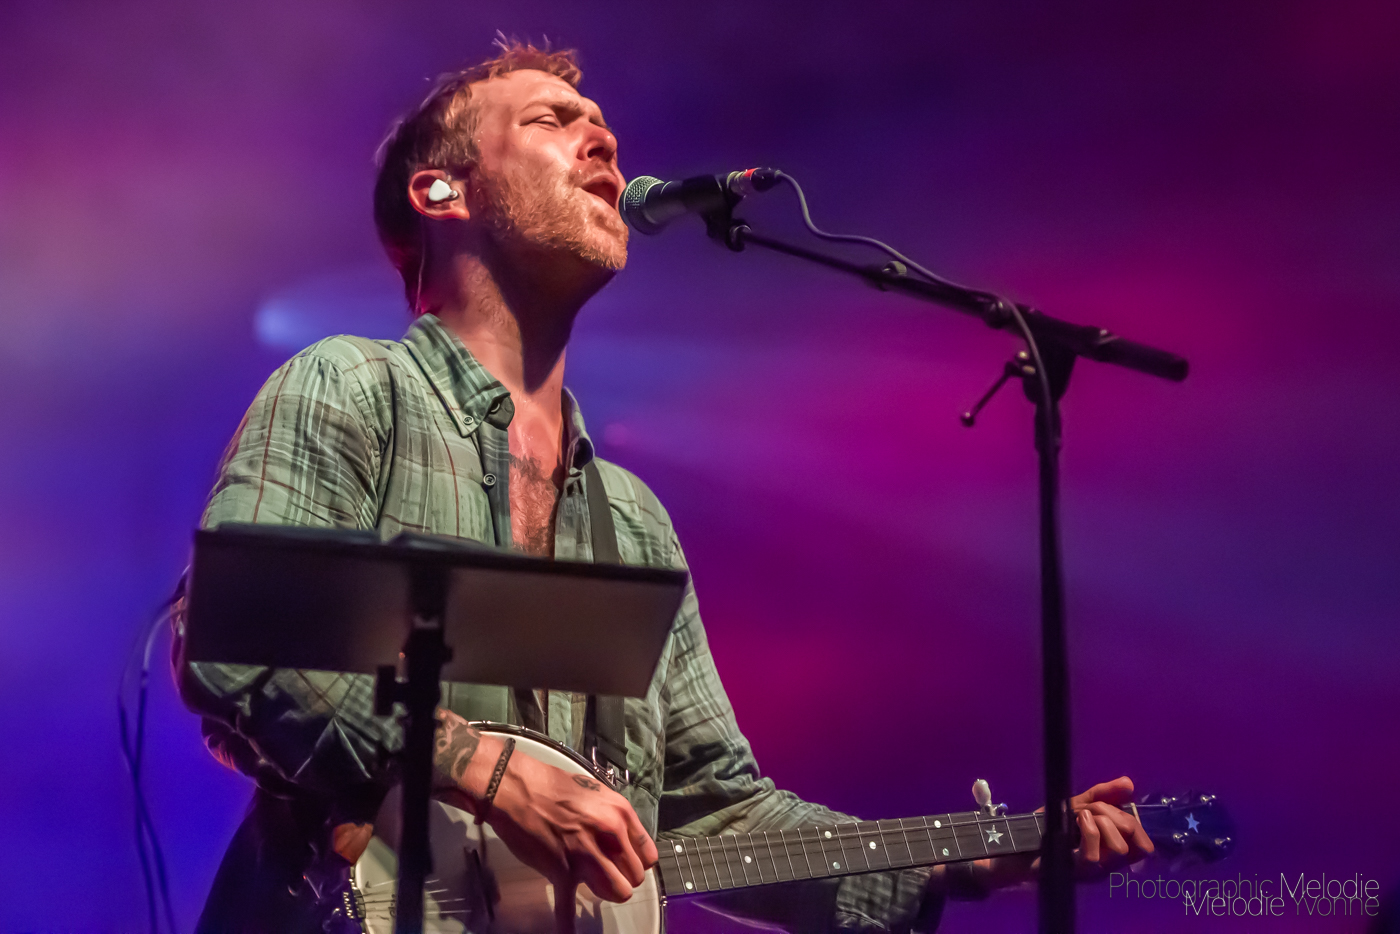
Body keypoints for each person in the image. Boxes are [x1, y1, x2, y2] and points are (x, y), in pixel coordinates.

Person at [174, 39, 1151, 934]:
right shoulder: (353, 387)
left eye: (600, 123)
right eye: (551, 120)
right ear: (440, 192)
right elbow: (234, 641)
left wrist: (954, 861)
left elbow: (716, 812)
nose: (600, 137)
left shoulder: (632, 521)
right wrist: (488, 769)